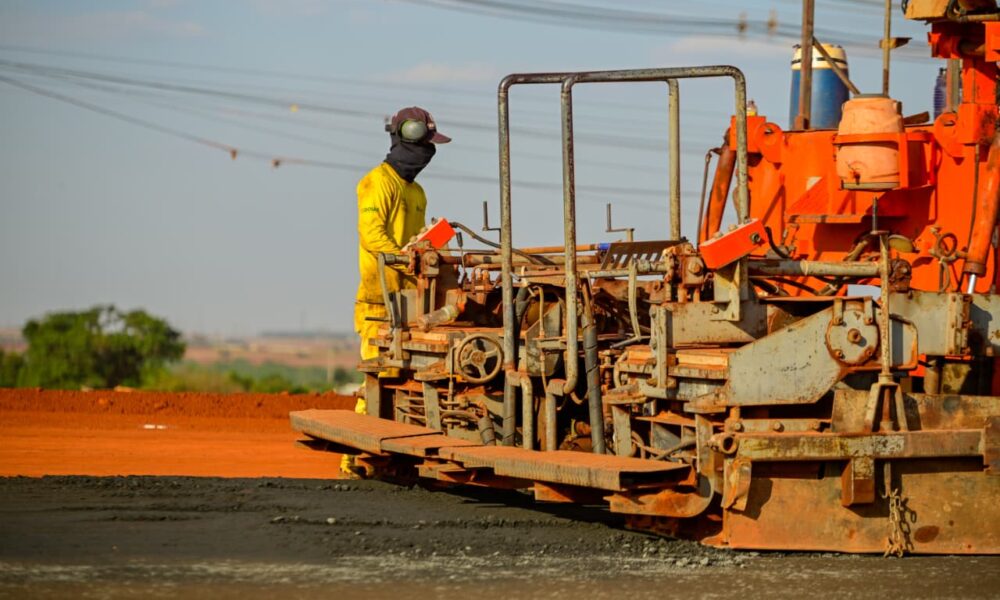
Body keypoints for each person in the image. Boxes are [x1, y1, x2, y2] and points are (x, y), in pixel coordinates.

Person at [342, 106, 450, 477]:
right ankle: (353, 457)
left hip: (411, 302)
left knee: (407, 380)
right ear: (406, 139)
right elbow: (373, 236)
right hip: (379, 301)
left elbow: (413, 241)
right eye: (425, 146)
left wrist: (431, 245)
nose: (428, 154)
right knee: (379, 378)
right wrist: (409, 261)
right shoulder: (377, 182)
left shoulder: (416, 191)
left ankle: (393, 457)